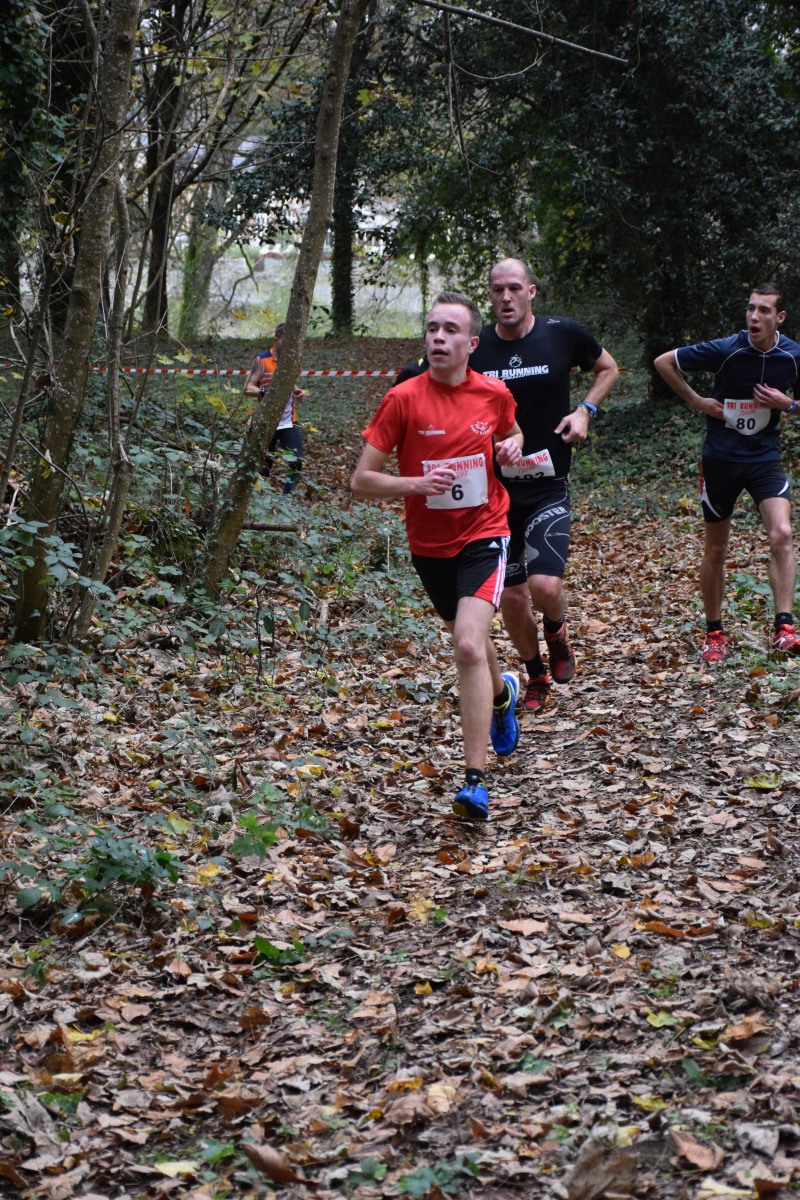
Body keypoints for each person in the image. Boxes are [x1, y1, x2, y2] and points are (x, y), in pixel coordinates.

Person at [351, 291, 525, 821]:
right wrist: (416, 484)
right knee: (469, 639)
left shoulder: (493, 393)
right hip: (429, 545)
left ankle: (475, 782)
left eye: (450, 330)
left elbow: (512, 432)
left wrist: (512, 446)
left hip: (485, 531)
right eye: (432, 329)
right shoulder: (403, 399)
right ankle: (501, 695)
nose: (438, 338)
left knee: (467, 644)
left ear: (472, 343)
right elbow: (361, 480)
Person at [471, 259, 618, 712]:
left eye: (515, 288)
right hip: (495, 492)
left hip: (547, 484)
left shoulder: (562, 333)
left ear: (531, 291)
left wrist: (584, 412)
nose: (506, 297)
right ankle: (535, 674)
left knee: (546, 586)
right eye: (497, 289)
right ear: (489, 294)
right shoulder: (477, 348)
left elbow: (608, 368)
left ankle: (556, 631)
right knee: (512, 598)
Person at [654, 284, 800, 663]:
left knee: (782, 533)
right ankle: (715, 633)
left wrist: (789, 403)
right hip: (721, 459)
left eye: (764, 310)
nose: (754, 316)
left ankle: (784, 628)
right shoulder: (726, 349)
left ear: (780, 317)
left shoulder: (793, 355)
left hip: (764, 459)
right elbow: (663, 362)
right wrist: (697, 401)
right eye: (751, 309)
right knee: (717, 548)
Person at [245, 322, 306, 494]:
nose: (289, 346)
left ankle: (286, 498)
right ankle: (258, 499)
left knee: (296, 461)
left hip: (289, 421)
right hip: (267, 422)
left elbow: (289, 381)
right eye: (286, 341)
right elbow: (247, 388)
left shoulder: (291, 359)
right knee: (263, 468)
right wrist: (265, 392)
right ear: (276, 339)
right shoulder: (261, 360)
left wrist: (297, 390)